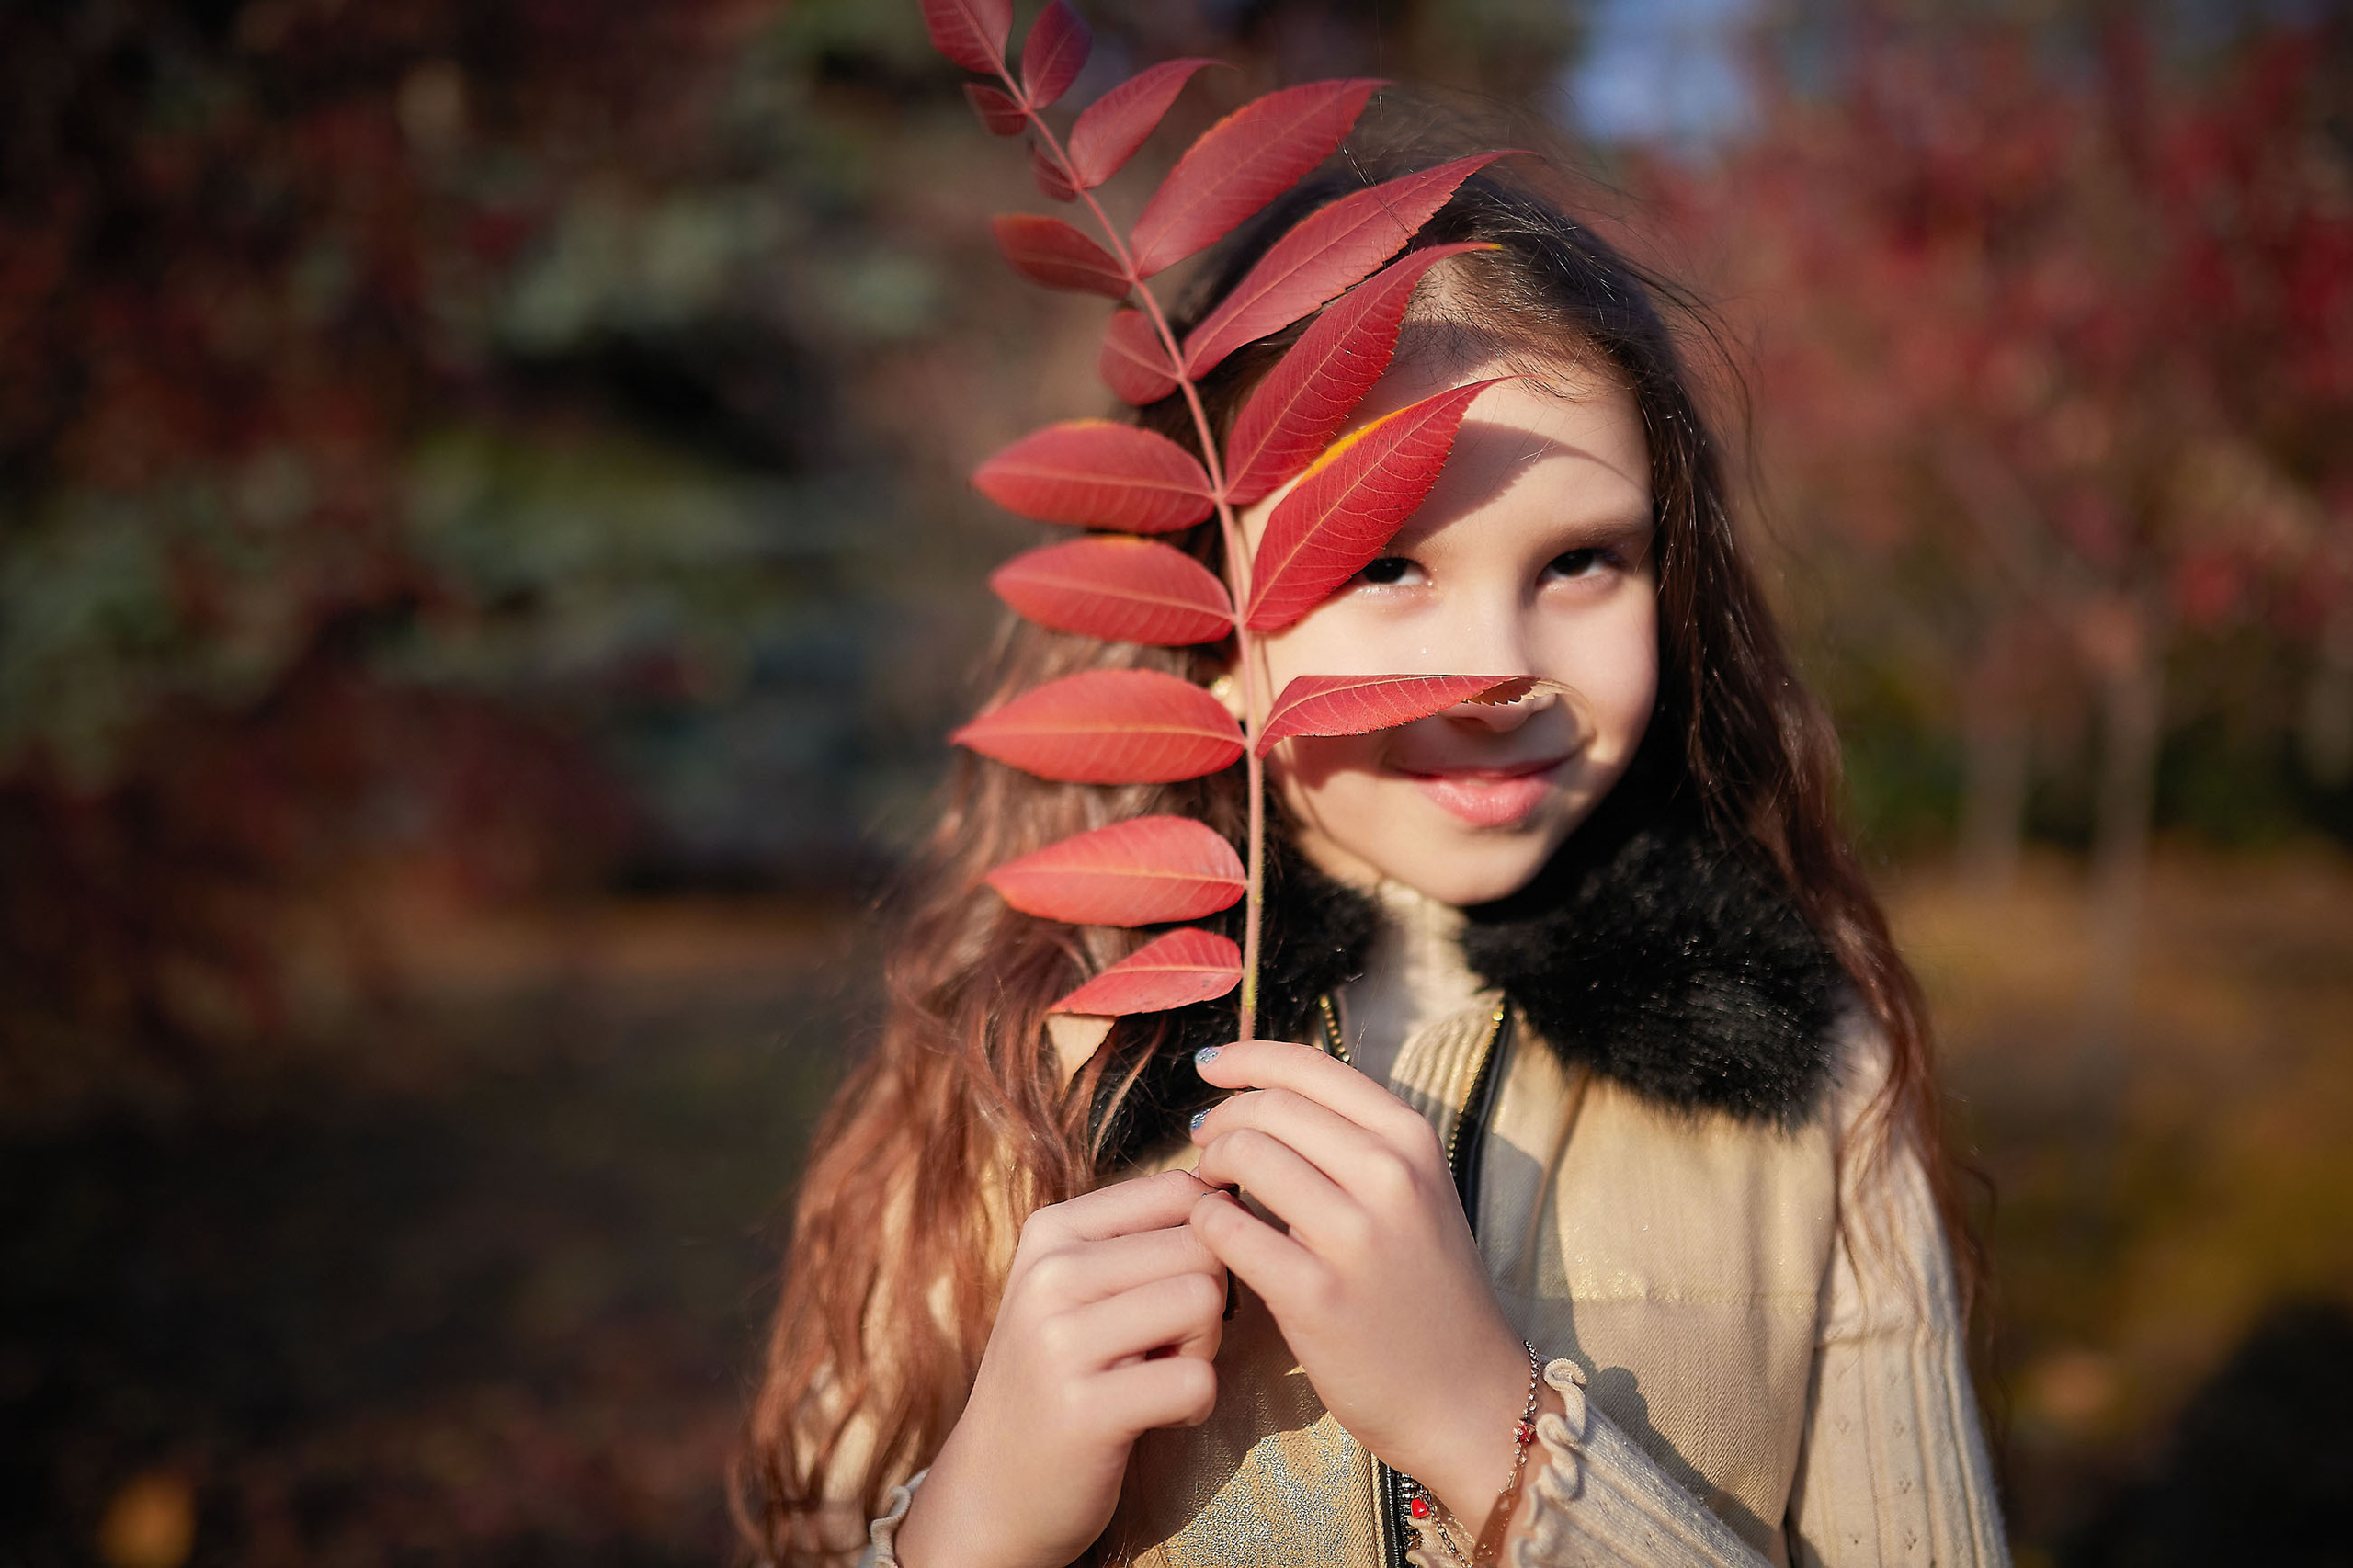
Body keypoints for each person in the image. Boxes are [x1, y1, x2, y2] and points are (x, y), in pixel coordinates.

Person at [741, 138, 2011, 1568]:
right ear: (1203, 626)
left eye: (1581, 560)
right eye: (1384, 563)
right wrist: (967, 1524)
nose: (1495, 671)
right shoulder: (1042, 1044)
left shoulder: (1813, 1063)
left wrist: (1491, 1430)